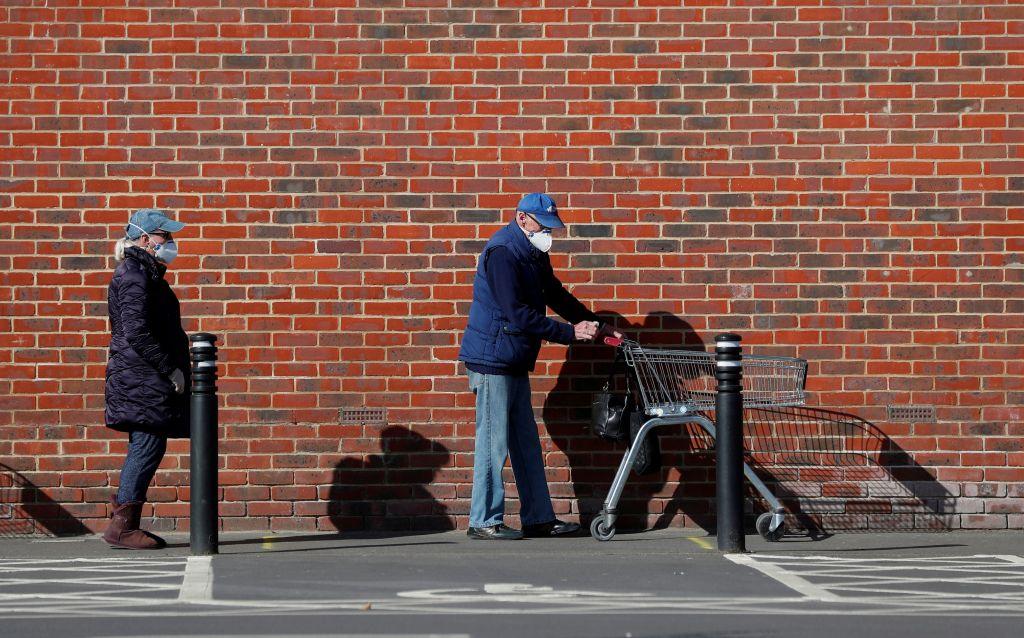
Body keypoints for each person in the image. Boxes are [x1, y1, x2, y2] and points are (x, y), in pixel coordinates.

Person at [457, 193, 621, 540]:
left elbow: (556, 295)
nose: (548, 232)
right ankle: (483, 520)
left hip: (512, 356)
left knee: (526, 442)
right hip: (492, 359)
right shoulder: (503, 252)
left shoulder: (532, 252)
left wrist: (595, 323)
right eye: (543, 225)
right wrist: (570, 333)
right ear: (522, 219)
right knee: (493, 442)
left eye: (551, 226)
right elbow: (518, 313)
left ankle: (539, 518)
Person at [102, 209, 189, 549]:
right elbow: (137, 332)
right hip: (143, 378)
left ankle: (124, 524)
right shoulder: (135, 274)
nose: (171, 243)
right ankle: (122, 528)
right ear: (144, 239)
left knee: (146, 444)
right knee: (147, 444)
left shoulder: (144, 273)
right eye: (165, 237)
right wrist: (170, 368)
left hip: (142, 377)